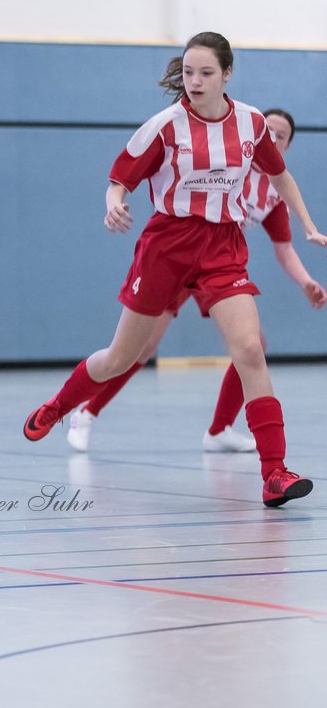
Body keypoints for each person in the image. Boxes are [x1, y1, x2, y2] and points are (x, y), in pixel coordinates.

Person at [23, 32, 327, 508]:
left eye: (206, 73)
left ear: (227, 74)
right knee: (122, 357)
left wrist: (309, 224)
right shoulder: (165, 126)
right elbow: (118, 179)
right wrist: (113, 205)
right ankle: (61, 406)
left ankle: (274, 474)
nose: (195, 81)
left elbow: (279, 174)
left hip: (223, 245)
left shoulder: (249, 123)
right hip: (167, 245)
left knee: (250, 349)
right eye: (188, 72)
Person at [66, 108, 326, 452]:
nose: (273, 139)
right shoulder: (230, 163)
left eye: (281, 137)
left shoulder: (274, 195)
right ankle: (87, 413)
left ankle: (218, 431)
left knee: (252, 346)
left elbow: (284, 248)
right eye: (270, 132)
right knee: (141, 348)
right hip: (177, 257)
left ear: (286, 148)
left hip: (216, 265)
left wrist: (306, 281)